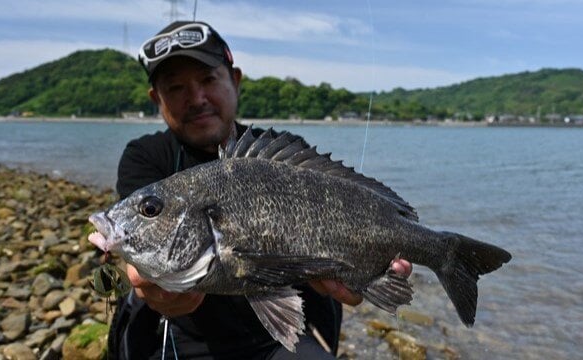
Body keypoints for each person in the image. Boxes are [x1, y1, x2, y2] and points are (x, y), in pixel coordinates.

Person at [109, 20, 412, 359]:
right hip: (186, 337)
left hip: (281, 340)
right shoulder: (145, 158)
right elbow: (138, 252)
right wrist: (149, 285)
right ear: (156, 98)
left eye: (208, 79)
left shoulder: (287, 156)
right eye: (176, 87)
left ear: (234, 80)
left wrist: (373, 273)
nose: (196, 98)